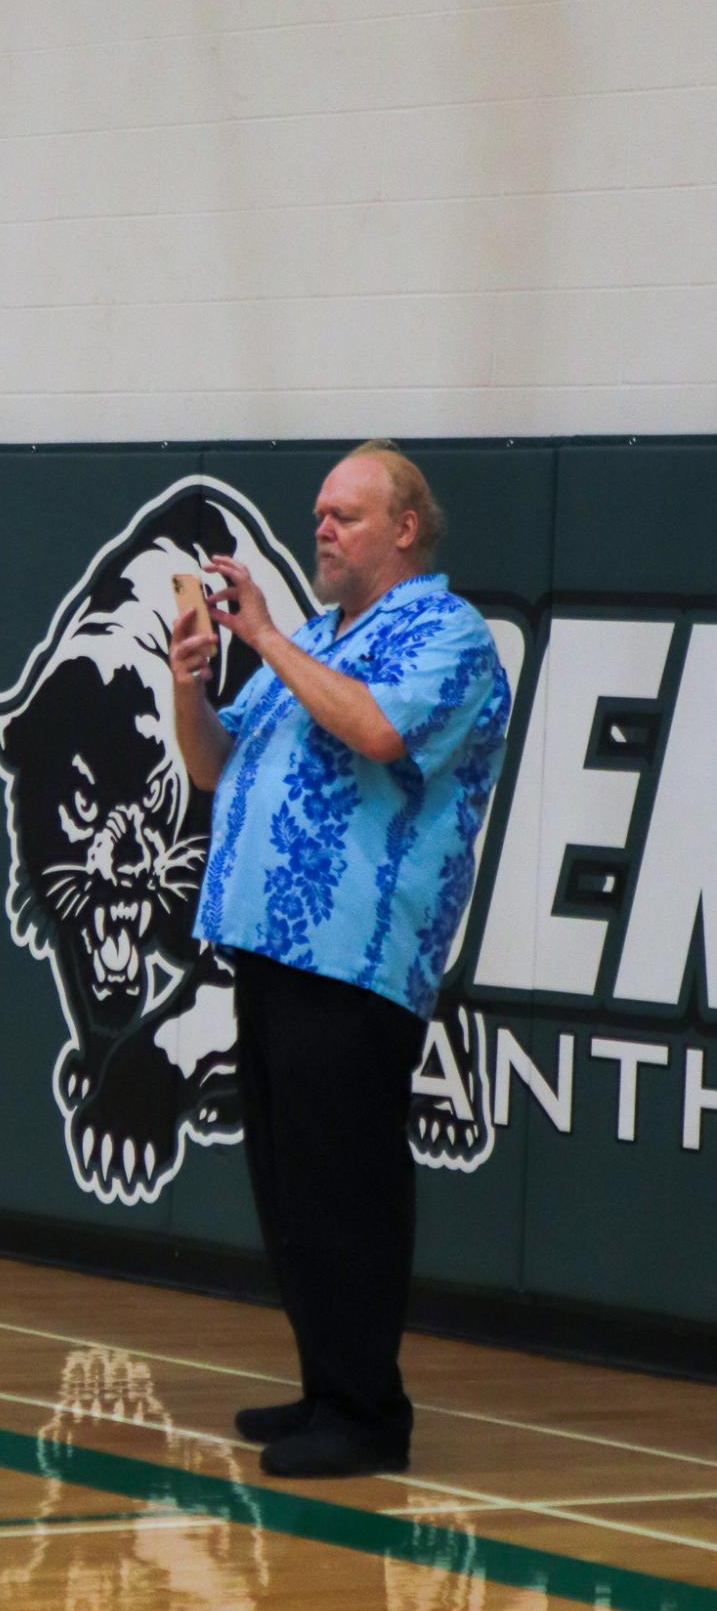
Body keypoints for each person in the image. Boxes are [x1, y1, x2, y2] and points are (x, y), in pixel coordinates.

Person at [171, 441, 510, 1479]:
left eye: (344, 514)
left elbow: (372, 731)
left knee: (343, 1186)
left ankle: (367, 1414)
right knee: (287, 1187)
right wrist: (191, 683)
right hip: (270, 947)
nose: (320, 527)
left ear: (404, 527)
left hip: (354, 957)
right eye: (317, 513)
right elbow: (211, 766)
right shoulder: (316, 638)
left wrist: (263, 634)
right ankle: (327, 1386)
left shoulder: (444, 634)